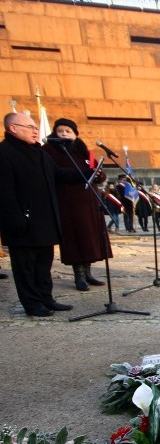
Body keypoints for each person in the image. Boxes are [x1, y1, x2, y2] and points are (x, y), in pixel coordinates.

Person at [0, 112, 88, 316]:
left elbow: (58, 174)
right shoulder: (4, 153)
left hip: (44, 220)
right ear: (13, 128)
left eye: (35, 127)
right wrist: (16, 220)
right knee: (26, 267)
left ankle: (46, 299)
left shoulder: (39, 153)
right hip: (22, 222)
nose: (35, 130)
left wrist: (87, 173)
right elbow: (4, 192)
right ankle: (32, 304)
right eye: (30, 127)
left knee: (43, 264)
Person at [41, 118, 112, 292]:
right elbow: (56, 174)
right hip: (68, 202)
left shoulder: (82, 151)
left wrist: (98, 175)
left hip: (89, 201)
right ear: (54, 133)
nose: (64, 134)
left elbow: (97, 172)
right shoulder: (49, 151)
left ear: (75, 134)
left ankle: (88, 273)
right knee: (76, 237)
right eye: (60, 131)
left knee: (90, 238)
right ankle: (79, 275)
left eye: (68, 131)